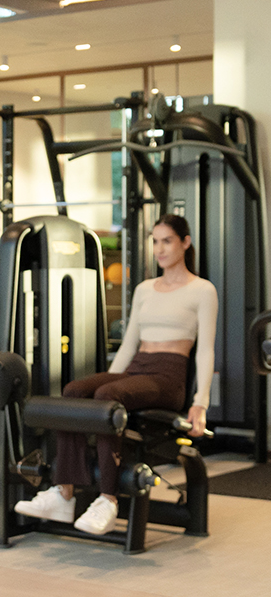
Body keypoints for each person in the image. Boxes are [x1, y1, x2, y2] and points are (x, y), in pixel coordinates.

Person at [14, 214, 218, 536]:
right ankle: (64, 493)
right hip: (138, 367)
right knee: (74, 391)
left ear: (185, 243)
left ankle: (108, 500)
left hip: (168, 376)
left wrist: (200, 402)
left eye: (167, 241)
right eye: (155, 241)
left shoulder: (202, 290)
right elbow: (129, 344)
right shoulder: (145, 289)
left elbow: (206, 349)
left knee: (108, 397)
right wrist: (109, 382)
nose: (159, 248)